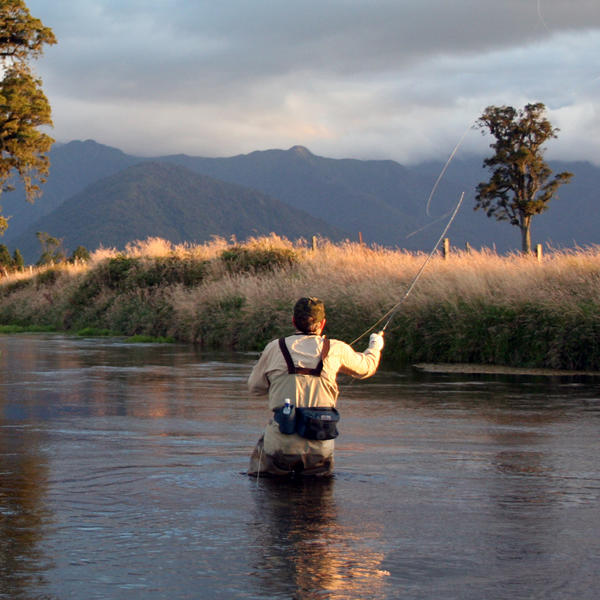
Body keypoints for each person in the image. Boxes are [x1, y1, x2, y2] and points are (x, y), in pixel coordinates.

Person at [248, 297, 384, 478]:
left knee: (270, 491)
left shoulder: (275, 347)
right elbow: (366, 368)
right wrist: (375, 346)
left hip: (280, 442)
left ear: (293, 321)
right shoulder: (337, 348)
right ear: (323, 323)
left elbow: (255, 388)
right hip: (320, 445)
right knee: (318, 501)